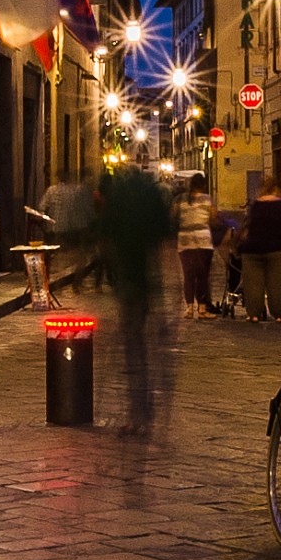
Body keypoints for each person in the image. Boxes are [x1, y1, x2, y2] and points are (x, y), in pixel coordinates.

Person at [95, 164, 174, 434]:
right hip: (148, 281)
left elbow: (104, 237)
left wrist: (110, 276)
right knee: (147, 349)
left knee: (133, 348)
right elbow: (165, 237)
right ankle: (145, 412)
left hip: (128, 281)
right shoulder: (152, 194)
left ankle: (136, 412)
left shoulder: (116, 195)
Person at [238, 175, 281, 323]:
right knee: (277, 284)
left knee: (253, 284)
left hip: (252, 249)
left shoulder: (256, 204)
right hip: (277, 248)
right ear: (277, 189)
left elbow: (247, 227)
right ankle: (279, 315)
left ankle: (254, 314)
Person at [174, 174, 216, 314]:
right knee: (202, 274)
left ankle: (189, 307)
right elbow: (213, 218)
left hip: (185, 240)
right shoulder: (207, 199)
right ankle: (202, 308)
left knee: (188, 273)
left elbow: (172, 216)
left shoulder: (180, 199)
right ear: (203, 185)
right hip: (203, 240)